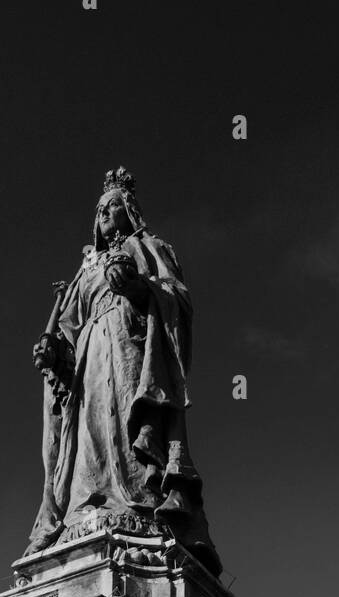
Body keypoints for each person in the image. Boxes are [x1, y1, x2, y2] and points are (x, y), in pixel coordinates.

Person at [26, 167, 220, 575]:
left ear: (128, 210)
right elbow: (70, 328)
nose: (103, 214)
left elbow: (177, 298)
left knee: (128, 426)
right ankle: (87, 509)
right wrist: (57, 356)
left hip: (132, 347)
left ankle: (141, 504)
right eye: (98, 210)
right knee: (88, 436)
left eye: (112, 206)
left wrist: (137, 287)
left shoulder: (148, 246)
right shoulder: (86, 271)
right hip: (91, 357)